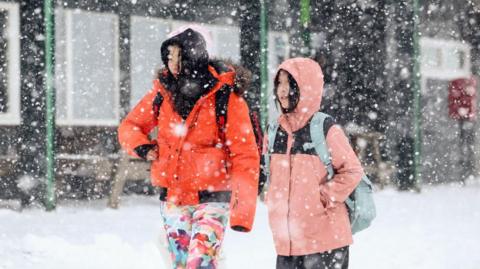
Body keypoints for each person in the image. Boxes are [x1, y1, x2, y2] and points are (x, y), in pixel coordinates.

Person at [118, 27, 259, 268]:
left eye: (178, 56)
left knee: (199, 264)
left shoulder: (225, 95)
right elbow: (130, 126)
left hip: (213, 198)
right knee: (182, 265)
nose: (172, 63)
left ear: (193, 55)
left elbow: (245, 154)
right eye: (169, 57)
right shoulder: (162, 92)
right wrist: (142, 147)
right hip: (173, 197)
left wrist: (242, 211)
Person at [260, 58, 364, 269]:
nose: (282, 91)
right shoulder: (273, 131)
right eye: (279, 83)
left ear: (306, 87)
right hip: (287, 243)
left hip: (325, 241)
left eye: (289, 84)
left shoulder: (324, 128)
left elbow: (352, 171)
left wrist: (322, 197)